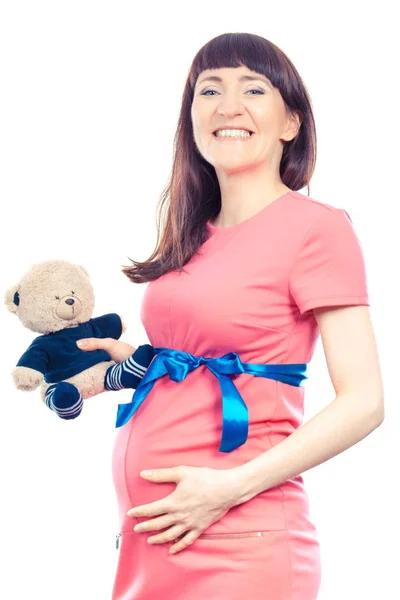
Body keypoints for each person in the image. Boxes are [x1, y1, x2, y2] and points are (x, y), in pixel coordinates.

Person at [76, 32, 384, 600]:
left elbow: (364, 402)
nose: (227, 106)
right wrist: (131, 361)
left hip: (241, 537)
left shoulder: (317, 228)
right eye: (209, 89)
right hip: (155, 541)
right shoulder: (191, 237)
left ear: (291, 122)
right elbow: (201, 357)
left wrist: (227, 489)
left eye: (253, 89)